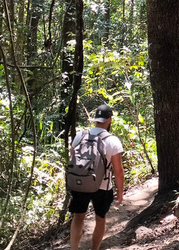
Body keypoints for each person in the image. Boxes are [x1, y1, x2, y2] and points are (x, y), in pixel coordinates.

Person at [69, 104, 125, 250]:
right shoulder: (112, 140)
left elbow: (72, 159)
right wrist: (120, 191)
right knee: (100, 219)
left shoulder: (81, 135)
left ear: (95, 119)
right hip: (102, 186)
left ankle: (74, 248)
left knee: (78, 217)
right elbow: (118, 171)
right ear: (110, 119)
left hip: (80, 183)